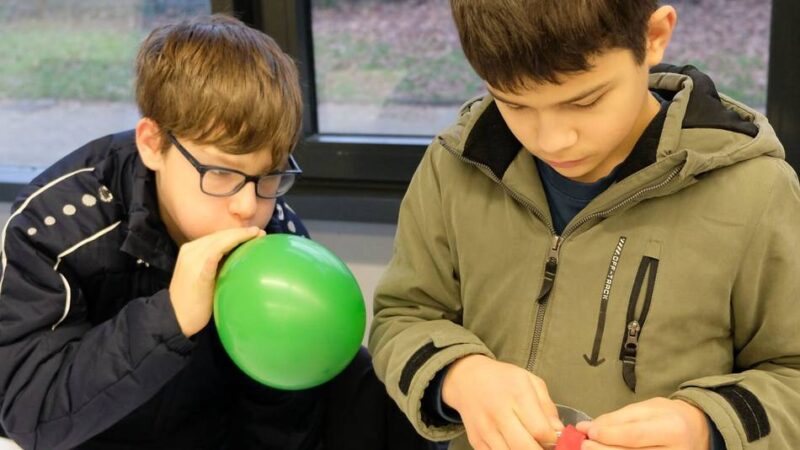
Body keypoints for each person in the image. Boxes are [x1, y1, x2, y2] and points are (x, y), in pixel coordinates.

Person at [368, 1, 800, 450]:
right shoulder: (455, 166)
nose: (552, 140)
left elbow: (792, 373)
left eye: (585, 101)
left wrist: (704, 426)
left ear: (654, 37)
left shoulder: (754, 192)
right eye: (513, 103)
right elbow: (403, 317)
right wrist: (459, 375)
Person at [0, 15, 432, 450]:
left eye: (270, 175)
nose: (248, 206)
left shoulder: (274, 229)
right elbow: (28, 414)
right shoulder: (57, 225)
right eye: (221, 173)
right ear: (153, 143)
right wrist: (169, 318)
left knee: (366, 385)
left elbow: (282, 419)